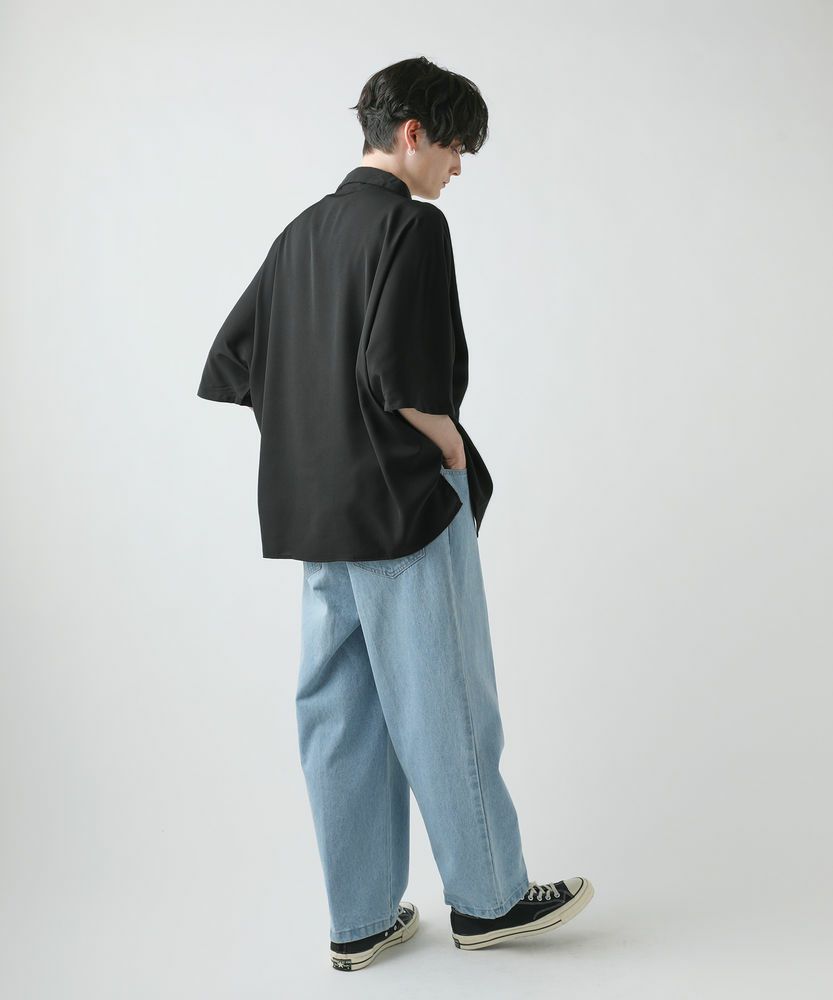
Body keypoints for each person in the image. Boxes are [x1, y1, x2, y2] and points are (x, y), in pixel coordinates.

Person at [197, 55, 594, 971]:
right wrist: (447, 442)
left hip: (316, 509)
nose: (456, 169)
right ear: (412, 133)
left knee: (339, 714)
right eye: (454, 149)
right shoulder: (412, 225)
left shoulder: (299, 232)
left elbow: (233, 363)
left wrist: (315, 430)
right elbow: (401, 375)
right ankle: (489, 900)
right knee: (443, 697)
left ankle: (361, 919)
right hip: (403, 500)